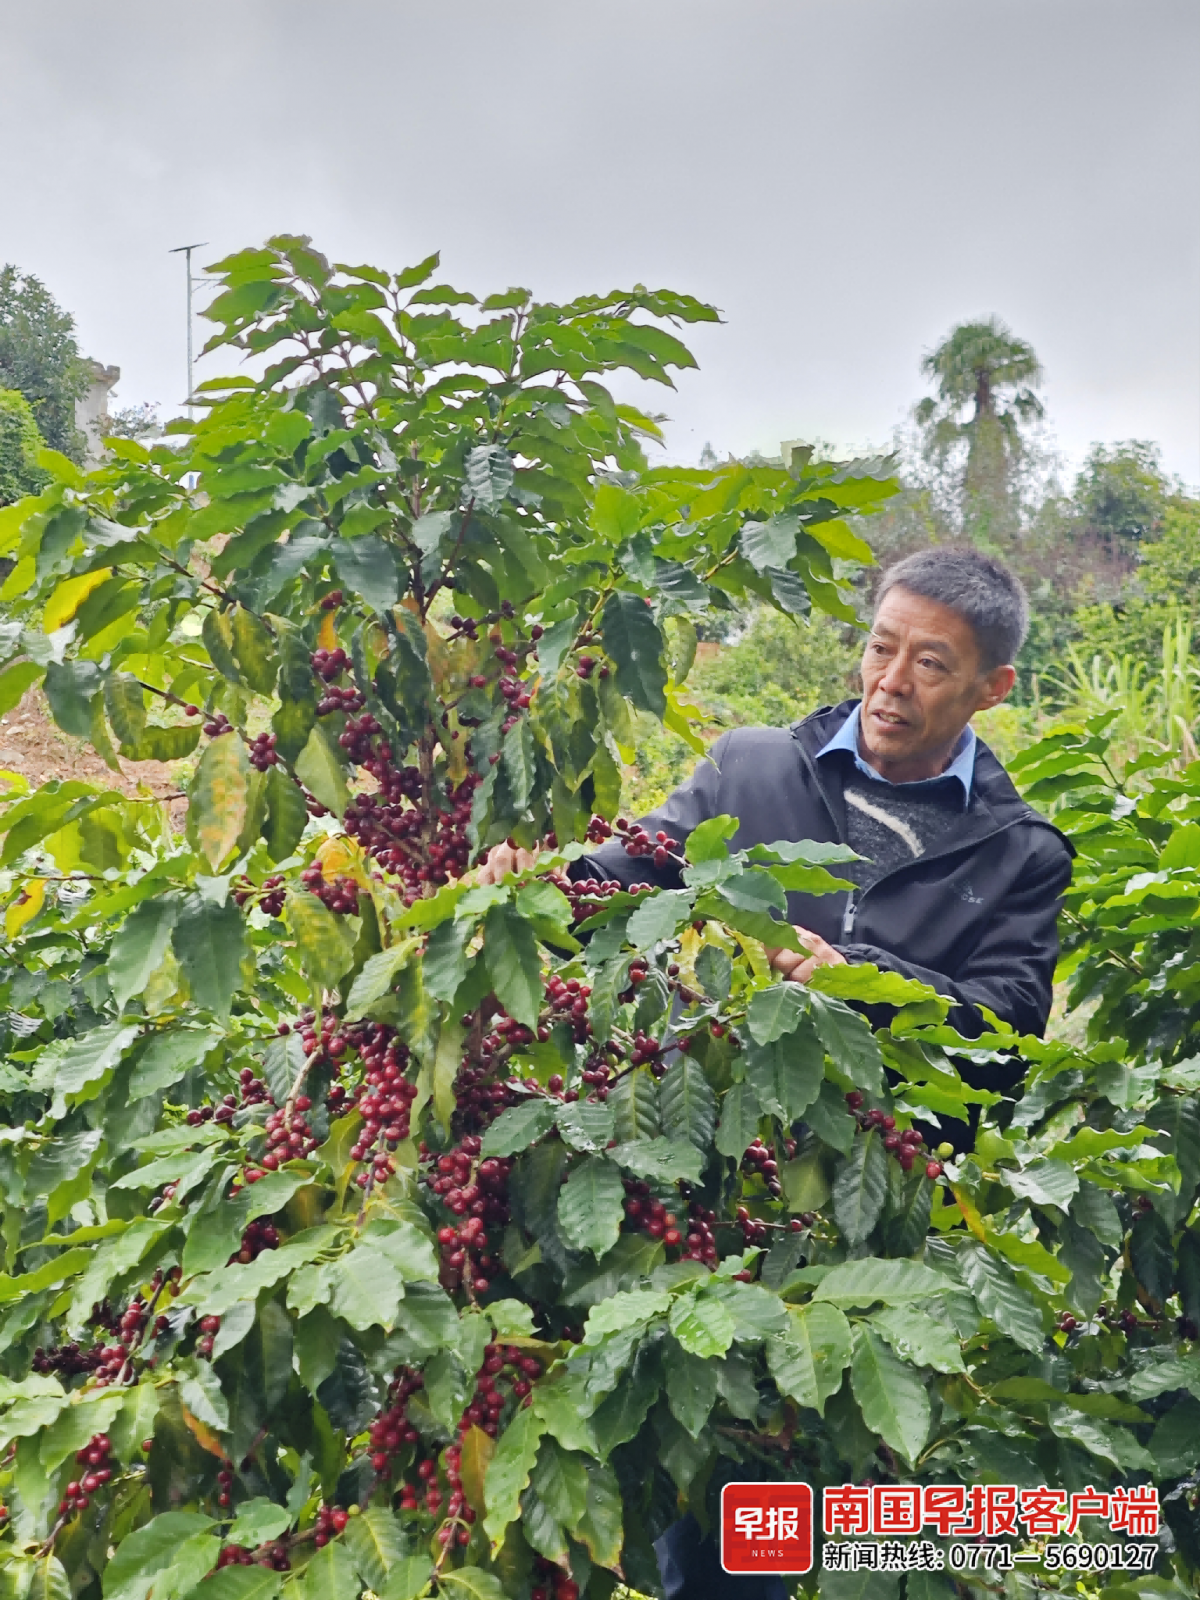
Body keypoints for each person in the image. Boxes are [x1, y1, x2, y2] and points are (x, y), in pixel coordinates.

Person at [479, 546, 1073, 1598]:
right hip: (685, 1187)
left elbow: (1003, 1044)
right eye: (881, 647)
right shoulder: (752, 765)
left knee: (773, 1530)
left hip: (847, 1228)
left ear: (994, 687)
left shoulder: (1020, 850)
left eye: (930, 664)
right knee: (659, 1512)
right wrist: (537, 881)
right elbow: (636, 872)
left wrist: (862, 980)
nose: (891, 681)